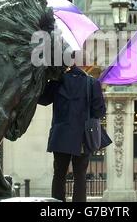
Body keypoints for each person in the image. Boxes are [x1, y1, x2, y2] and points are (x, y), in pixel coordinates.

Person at [38, 65, 107, 202]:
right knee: (80, 176)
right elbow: (100, 112)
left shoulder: (57, 81)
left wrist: (45, 77)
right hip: (82, 137)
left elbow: (42, 100)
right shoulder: (92, 83)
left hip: (60, 135)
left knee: (59, 174)